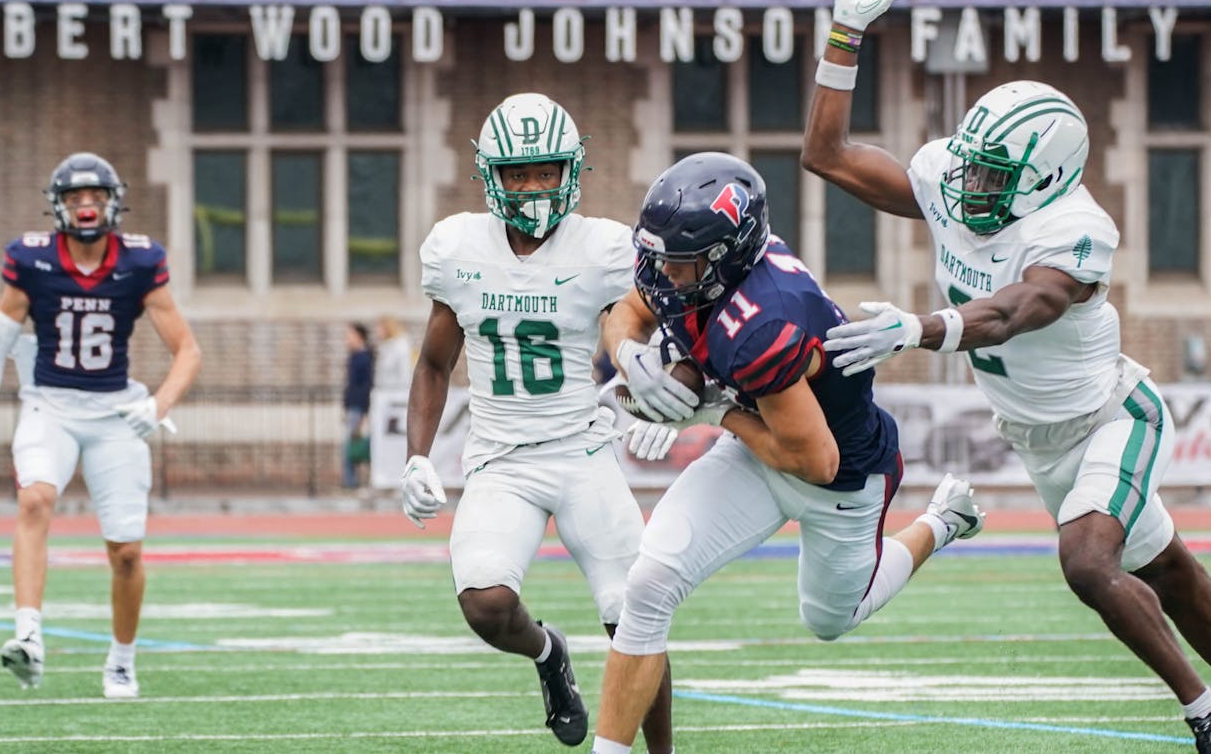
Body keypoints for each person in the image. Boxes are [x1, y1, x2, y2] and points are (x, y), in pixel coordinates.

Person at [800, 0, 1211, 754]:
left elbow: (1017, 310)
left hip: (1114, 416)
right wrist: (842, 40)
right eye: (968, 169)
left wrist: (922, 328)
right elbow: (824, 154)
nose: (967, 186)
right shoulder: (956, 179)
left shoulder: (1075, 229)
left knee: (1086, 562)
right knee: (1166, 575)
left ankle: (1204, 713)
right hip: (1041, 440)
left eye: (992, 177)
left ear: (1045, 179)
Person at [588, 152, 985, 754]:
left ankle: (941, 521)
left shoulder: (764, 321)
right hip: (760, 443)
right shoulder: (693, 267)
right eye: (661, 258)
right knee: (649, 584)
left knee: (830, 620)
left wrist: (711, 410)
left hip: (840, 475)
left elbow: (813, 461)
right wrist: (632, 361)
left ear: (728, 258)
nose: (667, 275)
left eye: (682, 264)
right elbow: (631, 310)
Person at [402, 92, 673, 750]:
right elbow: (435, 363)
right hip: (500, 460)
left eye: (545, 171)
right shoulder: (461, 248)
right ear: (490, 177)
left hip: (583, 452)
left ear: (570, 172)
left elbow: (671, 324)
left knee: (631, 614)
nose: (531, 187)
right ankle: (550, 654)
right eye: (517, 174)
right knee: (485, 606)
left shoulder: (606, 248)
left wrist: (671, 392)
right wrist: (416, 456)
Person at [0, 152, 201, 699]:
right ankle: (28, 637)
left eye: (94, 197)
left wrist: (156, 406)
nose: (86, 207)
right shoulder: (31, 259)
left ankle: (121, 659)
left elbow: (187, 350)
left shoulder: (139, 262)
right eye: (74, 198)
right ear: (58, 205)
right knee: (34, 500)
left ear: (114, 202)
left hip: (115, 413)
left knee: (127, 552)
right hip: (51, 407)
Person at [342, 322, 375, 490]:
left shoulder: (364, 357)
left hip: (359, 406)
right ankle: (350, 480)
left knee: (353, 445)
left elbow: (364, 386)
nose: (347, 339)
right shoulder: (354, 356)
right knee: (351, 444)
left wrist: (363, 410)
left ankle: (351, 481)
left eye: (350, 335)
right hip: (352, 406)